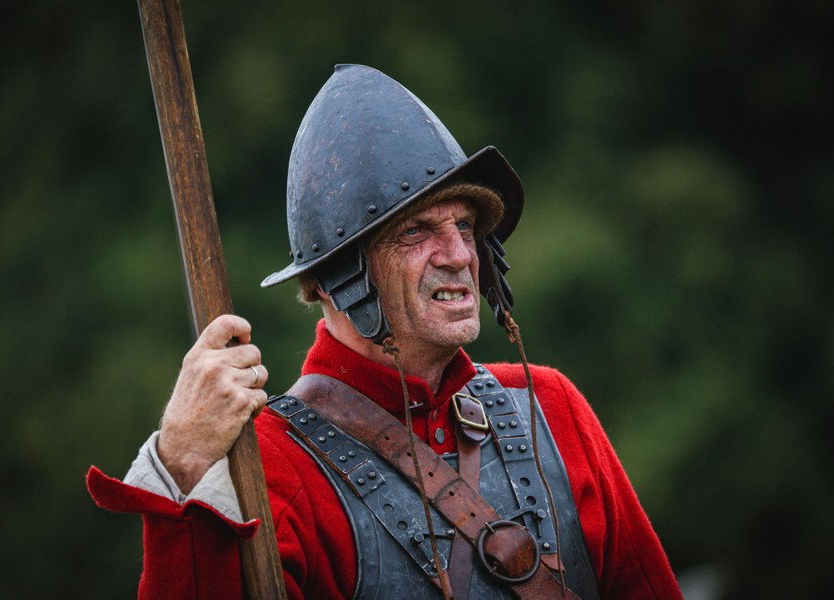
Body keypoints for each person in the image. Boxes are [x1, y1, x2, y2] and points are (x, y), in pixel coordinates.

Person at [88, 64, 683, 600]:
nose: (458, 255)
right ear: (335, 277)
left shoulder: (551, 408)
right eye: (417, 231)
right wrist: (186, 463)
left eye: (465, 225)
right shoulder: (268, 464)